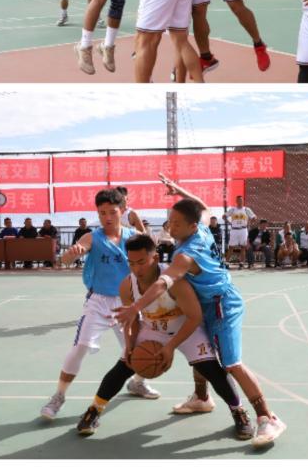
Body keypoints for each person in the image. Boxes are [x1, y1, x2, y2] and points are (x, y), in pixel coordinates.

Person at [113, 175, 286, 448]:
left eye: (176, 223)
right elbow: (203, 206)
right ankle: (202, 397)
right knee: (201, 352)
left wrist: (135, 307)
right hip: (204, 302)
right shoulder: (201, 228)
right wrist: (178, 191)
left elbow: (163, 282)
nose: (171, 226)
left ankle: (267, 416)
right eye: (170, 220)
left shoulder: (185, 255)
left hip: (222, 305)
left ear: (190, 226)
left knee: (231, 363)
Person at [76, 234, 253, 440]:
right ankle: (94, 410)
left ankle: (239, 411)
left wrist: (170, 347)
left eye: (142, 262)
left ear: (156, 258)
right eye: (131, 263)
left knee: (211, 369)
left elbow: (194, 318)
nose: (136, 269)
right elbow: (133, 321)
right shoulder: (127, 286)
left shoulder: (175, 282)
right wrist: (130, 345)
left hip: (185, 327)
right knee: (124, 365)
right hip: (153, 328)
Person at [39, 188, 159, 422]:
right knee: (80, 347)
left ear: (122, 210)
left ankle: (137, 383)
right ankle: (58, 396)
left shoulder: (132, 237)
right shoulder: (92, 237)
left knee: (137, 348)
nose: (107, 217)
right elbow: (68, 258)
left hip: (127, 302)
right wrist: (71, 255)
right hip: (98, 302)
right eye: (102, 213)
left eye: (112, 212)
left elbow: (150, 256)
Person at [224, 196, 253, 268]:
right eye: (238, 200)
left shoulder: (246, 209)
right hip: (234, 230)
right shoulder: (233, 209)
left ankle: (241, 263)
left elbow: (254, 217)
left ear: (243, 201)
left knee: (243, 247)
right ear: (236, 201)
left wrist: (250, 222)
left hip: (243, 230)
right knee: (231, 247)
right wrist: (229, 222)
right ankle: (226, 262)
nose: (240, 201)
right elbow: (224, 216)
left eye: (241, 200)